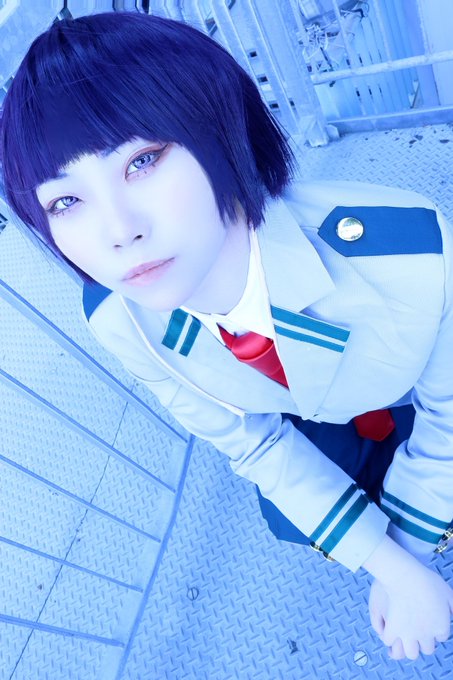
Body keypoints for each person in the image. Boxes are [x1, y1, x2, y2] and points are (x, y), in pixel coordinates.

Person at [1, 11, 452, 663]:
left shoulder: (409, 259)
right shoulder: (121, 318)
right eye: (65, 203)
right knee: (289, 514)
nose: (119, 232)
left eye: (141, 161)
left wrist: (409, 551)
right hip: (303, 406)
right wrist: (389, 566)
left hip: (407, 397)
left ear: (220, 128)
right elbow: (253, 445)